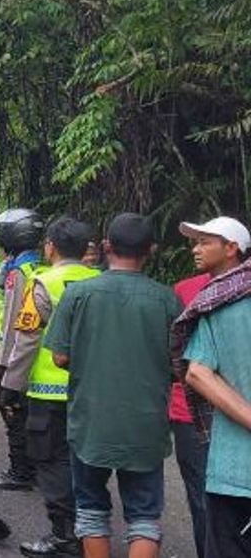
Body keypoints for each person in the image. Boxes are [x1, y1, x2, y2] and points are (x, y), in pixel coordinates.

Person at [44, 213, 180, 558]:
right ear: (152, 249)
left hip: (91, 421)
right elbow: (180, 365)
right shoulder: (167, 300)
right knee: (145, 514)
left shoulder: (79, 294)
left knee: (90, 507)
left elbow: (59, 357)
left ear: (105, 246)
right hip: (147, 423)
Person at [0, 217, 99, 557]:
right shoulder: (100, 280)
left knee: (52, 461)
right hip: (91, 391)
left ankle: (63, 535)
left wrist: (10, 385)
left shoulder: (43, 282)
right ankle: (90, 531)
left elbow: (27, 340)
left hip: (48, 392)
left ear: (51, 247)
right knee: (84, 460)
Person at [174, 216, 251, 557]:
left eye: (205, 241)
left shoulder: (215, 305)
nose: (196, 248)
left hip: (234, 470)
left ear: (232, 248)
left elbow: (197, 373)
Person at [0, 208, 45, 492]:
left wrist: (4, 363)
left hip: (18, 356)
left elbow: (14, 321)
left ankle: (20, 471)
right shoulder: (41, 266)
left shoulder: (19, 272)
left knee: (10, 408)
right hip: (41, 358)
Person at [171, 269, 212, 558]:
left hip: (209, 408)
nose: (196, 249)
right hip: (188, 409)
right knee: (201, 496)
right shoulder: (184, 289)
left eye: (205, 242)